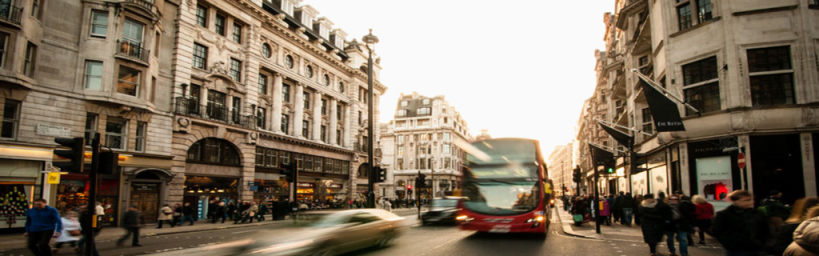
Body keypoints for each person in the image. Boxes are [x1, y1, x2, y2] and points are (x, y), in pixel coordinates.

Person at [712, 190, 769, 256]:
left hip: (756, 248)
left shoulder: (757, 214)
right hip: (736, 249)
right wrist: (729, 243)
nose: (750, 202)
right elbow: (717, 231)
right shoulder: (724, 215)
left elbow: (765, 229)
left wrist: (763, 243)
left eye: (751, 200)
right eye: (746, 200)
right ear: (736, 201)